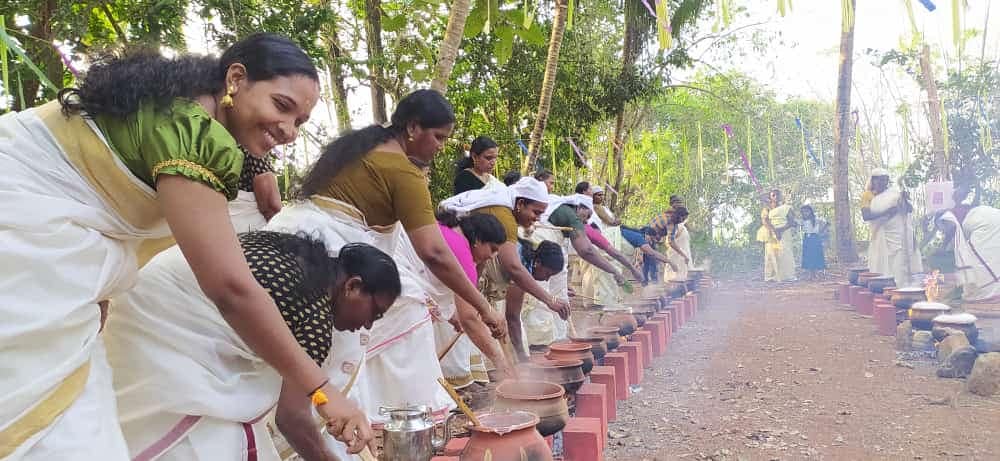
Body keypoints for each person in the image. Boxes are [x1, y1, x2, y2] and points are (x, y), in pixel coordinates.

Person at [0, 33, 372, 459]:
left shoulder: (192, 117)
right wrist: (325, 393)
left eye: (300, 123)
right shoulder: (195, 134)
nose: (287, 131)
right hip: (24, 245)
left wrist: (98, 289)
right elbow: (232, 290)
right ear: (236, 78)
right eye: (281, 106)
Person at [277, 89, 504, 425]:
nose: (441, 147)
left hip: (292, 237)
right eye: (438, 137)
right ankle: (406, 422)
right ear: (413, 128)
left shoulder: (364, 149)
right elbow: (433, 252)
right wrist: (485, 308)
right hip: (325, 254)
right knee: (408, 317)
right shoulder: (403, 172)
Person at [105, 234, 397, 461]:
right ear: (353, 287)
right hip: (166, 325)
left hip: (140, 293)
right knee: (207, 439)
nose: (369, 325)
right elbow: (292, 418)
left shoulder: (298, 254)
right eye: (375, 312)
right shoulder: (313, 315)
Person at [439, 177, 571, 361]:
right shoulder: (504, 217)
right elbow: (513, 267)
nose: (537, 219)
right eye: (536, 212)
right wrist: (549, 300)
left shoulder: (504, 218)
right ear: (521, 204)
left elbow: (484, 261)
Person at [523, 194, 628, 347]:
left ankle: (558, 342)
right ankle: (540, 344)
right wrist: (614, 271)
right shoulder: (570, 214)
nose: (585, 221)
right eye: (587, 215)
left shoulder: (566, 216)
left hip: (548, 251)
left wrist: (563, 287)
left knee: (558, 297)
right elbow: (586, 251)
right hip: (542, 250)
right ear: (579, 207)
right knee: (538, 301)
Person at [433, 210, 516, 388]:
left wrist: (452, 314)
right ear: (477, 239)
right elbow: (469, 318)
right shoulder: (461, 250)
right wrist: (501, 363)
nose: (493, 256)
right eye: (492, 249)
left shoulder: (452, 235)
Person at [504, 240, 568, 360]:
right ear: (538, 263)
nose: (546, 280)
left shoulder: (526, 261)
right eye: (547, 273)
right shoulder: (521, 267)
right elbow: (512, 317)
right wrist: (522, 356)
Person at [861, 170, 923, 286]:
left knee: (898, 262)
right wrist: (887, 212)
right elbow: (866, 216)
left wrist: (903, 199)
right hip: (881, 234)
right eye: (880, 180)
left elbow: (908, 210)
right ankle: (882, 286)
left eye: (885, 180)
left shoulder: (894, 194)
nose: (883, 183)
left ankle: (899, 286)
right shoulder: (867, 195)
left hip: (898, 235)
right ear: (873, 180)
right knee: (881, 261)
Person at [935, 203, 1000, 303]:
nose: (943, 233)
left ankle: (986, 294)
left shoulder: (958, 220)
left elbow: (953, 232)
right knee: (993, 258)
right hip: (992, 218)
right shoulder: (957, 215)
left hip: (986, 224)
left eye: (942, 230)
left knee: (977, 260)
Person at [761, 189, 797, 282]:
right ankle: (771, 277)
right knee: (771, 254)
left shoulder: (787, 208)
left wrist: (781, 230)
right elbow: (765, 221)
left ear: (781, 196)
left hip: (784, 233)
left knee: (785, 253)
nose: (776, 197)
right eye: (773, 195)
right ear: (770, 197)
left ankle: (788, 276)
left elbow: (792, 222)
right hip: (771, 233)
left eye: (778, 195)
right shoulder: (767, 209)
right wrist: (774, 231)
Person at [662, 206, 693, 282]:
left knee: (681, 276)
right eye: (683, 219)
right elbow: (669, 242)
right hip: (675, 254)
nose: (683, 221)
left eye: (685, 219)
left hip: (681, 254)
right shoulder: (674, 225)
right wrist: (683, 254)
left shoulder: (678, 225)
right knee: (672, 277)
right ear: (678, 216)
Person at [799, 205, 828, 280]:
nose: (805, 213)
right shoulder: (802, 221)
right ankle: (811, 274)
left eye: (807, 211)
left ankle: (819, 274)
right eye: (803, 212)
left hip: (815, 238)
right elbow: (796, 224)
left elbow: (826, 223)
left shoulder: (817, 219)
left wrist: (821, 232)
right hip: (807, 239)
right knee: (808, 256)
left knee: (816, 255)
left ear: (811, 212)